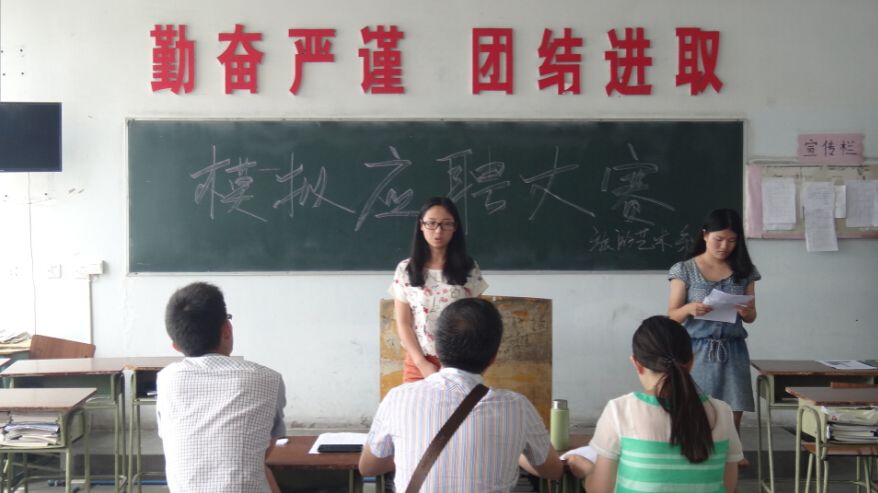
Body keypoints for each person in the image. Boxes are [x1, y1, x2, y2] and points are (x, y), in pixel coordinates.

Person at [360, 298, 563, 492]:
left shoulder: (398, 398)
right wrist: (513, 451)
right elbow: (553, 471)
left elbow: (368, 467)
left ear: (436, 348)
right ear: (493, 357)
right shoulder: (518, 407)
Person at [566, 316, 741, 493]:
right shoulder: (722, 412)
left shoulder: (620, 411)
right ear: (691, 362)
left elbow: (600, 490)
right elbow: (727, 487)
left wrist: (588, 471)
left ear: (637, 364)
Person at [156, 282, 286, 493]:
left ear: (176, 346)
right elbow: (262, 453)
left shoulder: (166, 380)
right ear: (227, 329)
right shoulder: (268, 379)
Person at [667, 208, 760, 436]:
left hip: (733, 350)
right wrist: (689, 308)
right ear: (705, 235)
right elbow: (672, 316)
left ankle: (731, 452)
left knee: (732, 413)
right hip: (696, 351)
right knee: (695, 412)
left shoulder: (744, 271)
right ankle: (695, 452)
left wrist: (746, 312)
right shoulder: (685, 269)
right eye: (719, 239)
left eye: (732, 241)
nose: (724, 246)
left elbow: (751, 317)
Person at [390, 196, 488, 382]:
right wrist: (422, 363)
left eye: (446, 224)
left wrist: (454, 365)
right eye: (431, 223)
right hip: (419, 361)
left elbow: (476, 321)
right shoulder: (406, 269)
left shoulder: (469, 268)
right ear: (421, 225)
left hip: (461, 363)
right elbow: (403, 322)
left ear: (455, 227)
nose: (438, 230)